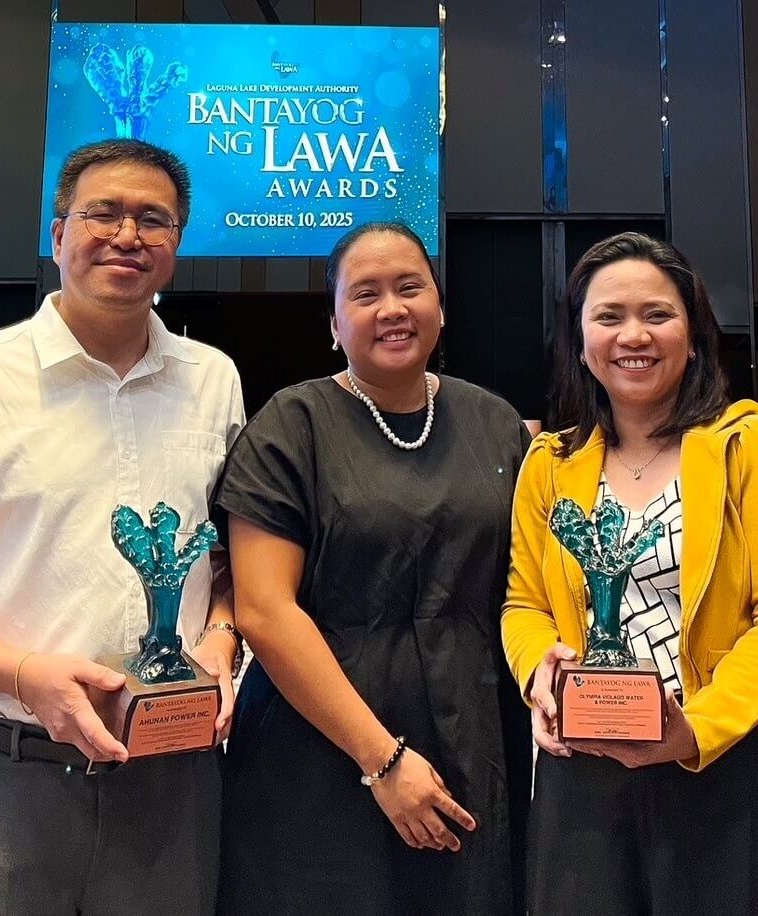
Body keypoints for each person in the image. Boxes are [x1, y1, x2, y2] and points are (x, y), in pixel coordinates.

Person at [0, 139, 245, 915]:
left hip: (172, 780)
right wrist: (23, 676)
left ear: (177, 243)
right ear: (59, 232)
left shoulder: (214, 380)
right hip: (4, 777)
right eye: (102, 213)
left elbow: (228, 558)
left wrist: (222, 635)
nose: (127, 235)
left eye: (154, 219)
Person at [212, 221, 532, 914]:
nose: (392, 308)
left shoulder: (493, 422)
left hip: (471, 734)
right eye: (365, 294)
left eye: (410, 287)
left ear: (440, 308)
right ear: (333, 323)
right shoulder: (291, 426)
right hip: (320, 745)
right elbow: (265, 612)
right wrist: (381, 761)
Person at [502, 231, 758, 915]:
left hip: (724, 768)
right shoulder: (549, 463)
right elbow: (522, 604)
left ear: (693, 331)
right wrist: (540, 673)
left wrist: (696, 729)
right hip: (579, 772)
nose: (632, 336)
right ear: (579, 337)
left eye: (656, 314)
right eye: (608, 316)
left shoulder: (748, 441)